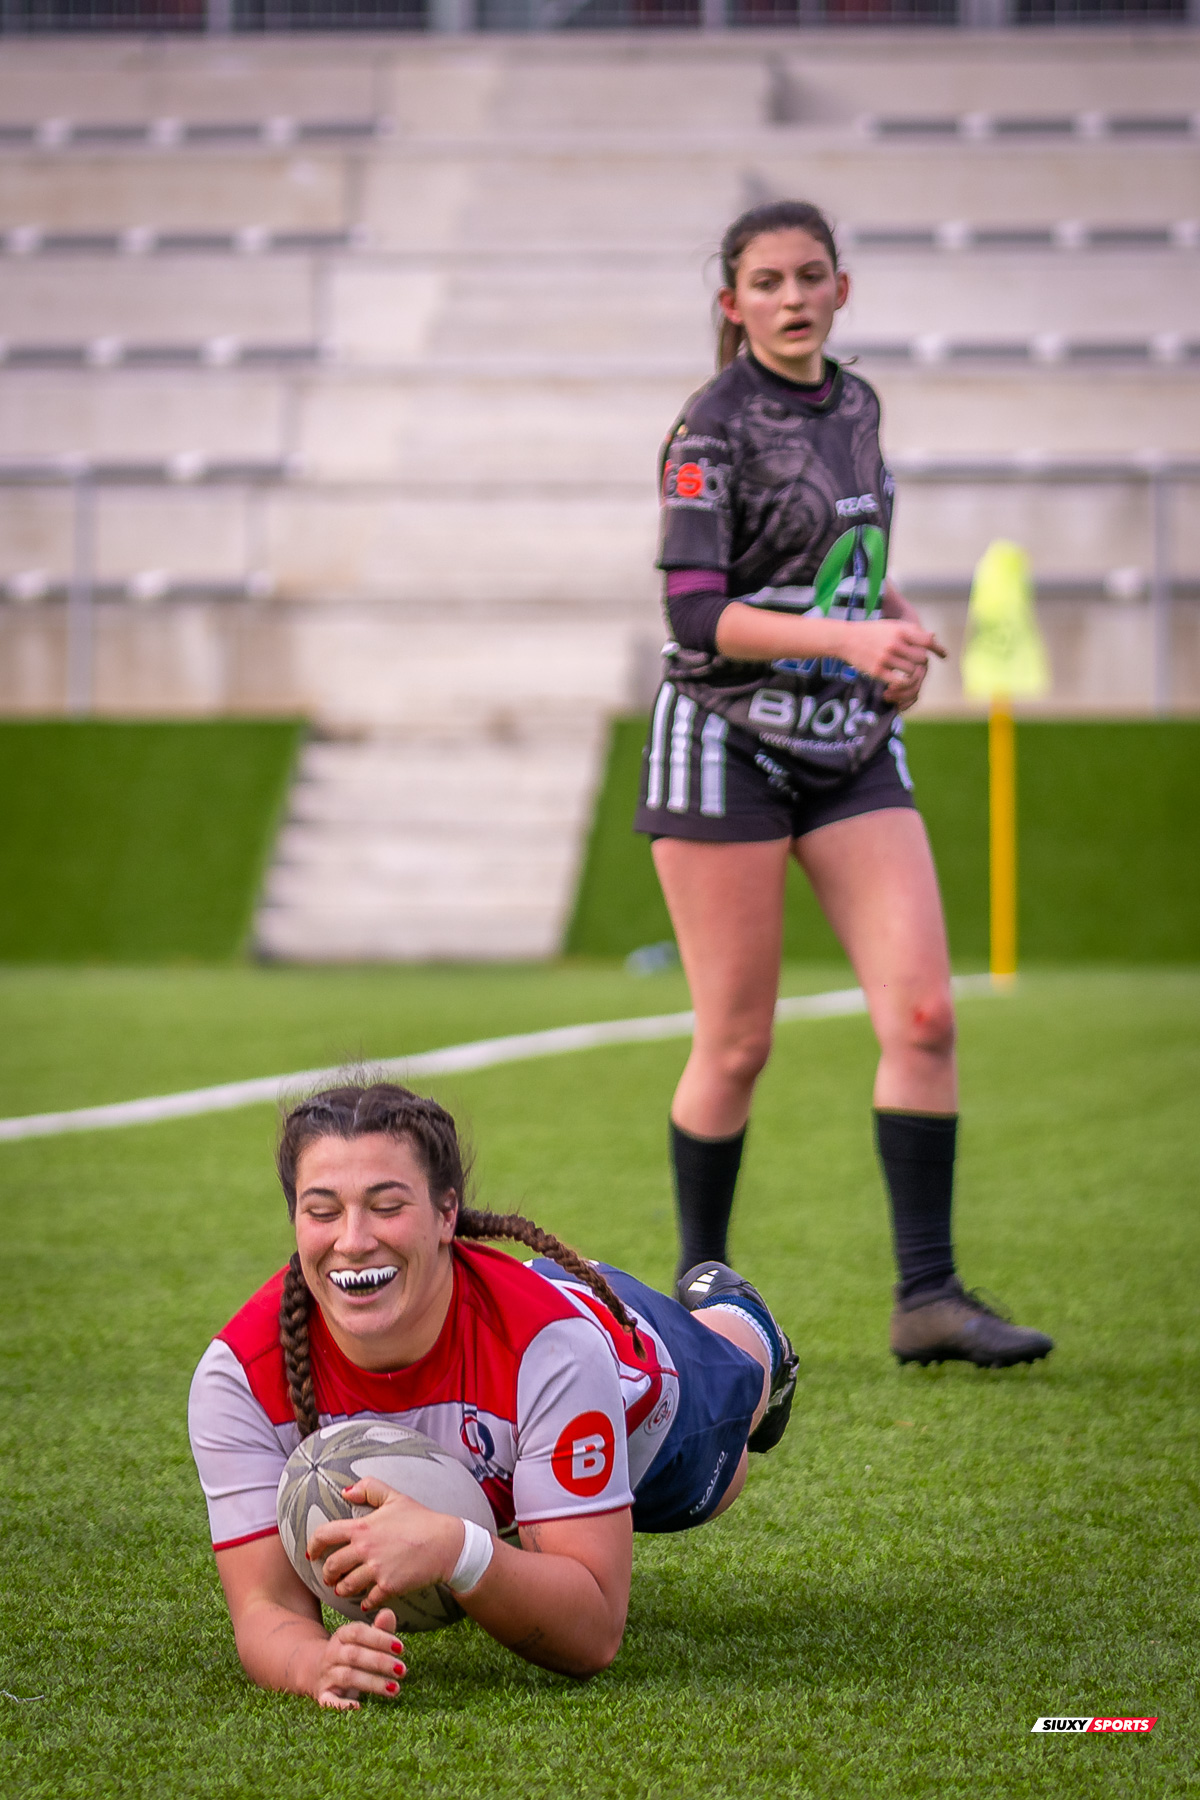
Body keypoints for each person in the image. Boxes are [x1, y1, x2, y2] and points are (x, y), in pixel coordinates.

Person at [634, 199, 1052, 1370]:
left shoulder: (858, 403)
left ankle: (930, 1298)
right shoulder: (707, 428)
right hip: (723, 738)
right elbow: (696, 614)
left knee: (924, 1014)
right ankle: (692, 1313)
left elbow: (843, 569)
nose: (793, 297)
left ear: (842, 288)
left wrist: (897, 628)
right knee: (737, 1041)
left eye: (811, 275)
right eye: (767, 281)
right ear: (733, 304)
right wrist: (845, 644)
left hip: (851, 738)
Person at [188, 1081, 798, 1708]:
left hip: (626, 1370)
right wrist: (312, 1662)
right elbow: (264, 1607)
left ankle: (743, 1321)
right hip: (502, 1326)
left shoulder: (553, 1350)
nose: (352, 1239)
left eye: (387, 1205)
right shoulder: (237, 1378)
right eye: (322, 1211)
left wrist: (457, 1548)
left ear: (447, 1212)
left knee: (729, 1447)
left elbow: (593, 1632)